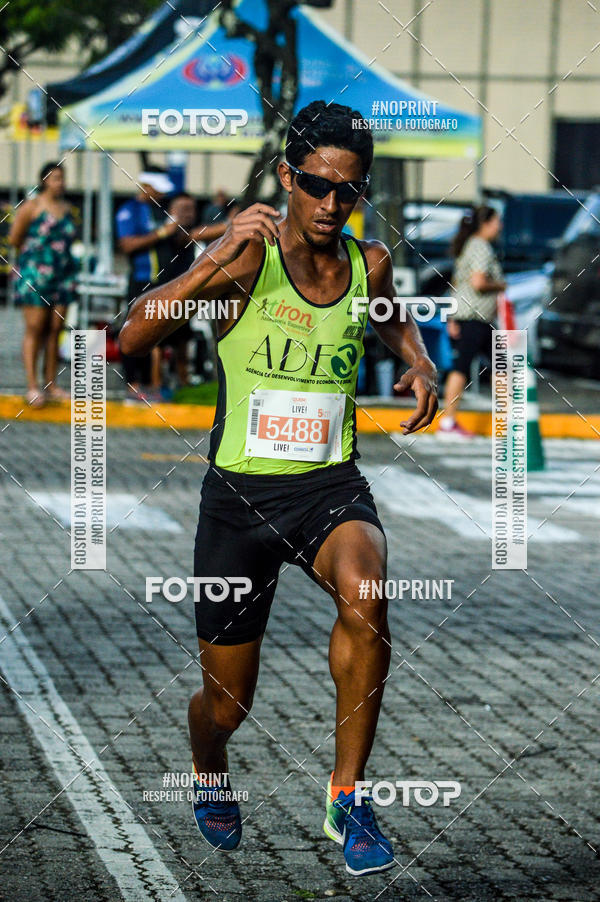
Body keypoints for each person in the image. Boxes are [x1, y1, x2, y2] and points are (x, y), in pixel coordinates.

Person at [120, 101, 438, 876]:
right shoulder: (247, 261)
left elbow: (392, 317)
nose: (332, 206)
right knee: (226, 705)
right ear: (286, 177)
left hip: (328, 488)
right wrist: (211, 256)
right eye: (316, 186)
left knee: (368, 592)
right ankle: (207, 766)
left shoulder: (368, 263)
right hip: (238, 504)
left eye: (350, 192)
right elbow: (130, 337)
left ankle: (346, 796)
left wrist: (420, 358)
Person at [9, 162, 78, 408]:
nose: (60, 182)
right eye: (56, 178)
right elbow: (15, 239)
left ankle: (52, 383)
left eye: (62, 178)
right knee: (35, 327)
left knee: (55, 328)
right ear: (45, 180)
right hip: (36, 274)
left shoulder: (68, 208)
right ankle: (32, 385)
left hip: (63, 274)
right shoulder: (32, 207)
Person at [439, 205, 505, 437]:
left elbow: (458, 284)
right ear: (485, 224)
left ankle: (507, 420)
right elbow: (477, 282)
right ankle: (448, 423)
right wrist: (501, 285)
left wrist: (451, 317)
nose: (500, 226)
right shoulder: (480, 247)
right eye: (497, 221)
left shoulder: (470, 246)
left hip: (471, 317)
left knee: (499, 366)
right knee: (464, 368)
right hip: (474, 317)